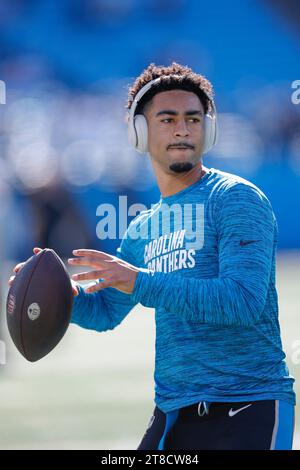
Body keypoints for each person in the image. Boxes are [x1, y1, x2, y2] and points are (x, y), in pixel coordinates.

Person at [9, 62, 296, 450]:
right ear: (139, 131)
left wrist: (141, 282)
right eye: (167, 119)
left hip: (247, 406)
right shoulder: (143, 227)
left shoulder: (235, 199)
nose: (182, 129)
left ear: (208, 130)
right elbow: (107, 312)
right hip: (174, 410)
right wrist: (56, 296)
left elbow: (242, 301)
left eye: (194, 119)